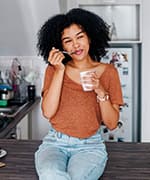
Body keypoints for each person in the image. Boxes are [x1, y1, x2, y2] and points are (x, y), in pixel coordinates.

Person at [35, 8, 123, 180]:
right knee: (50, 174)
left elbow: (112, 123)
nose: (76, 45)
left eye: (80, 36)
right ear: (61, 46)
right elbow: (48, 112)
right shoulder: (53, 70)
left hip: (90, 146)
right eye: (68, 40)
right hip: (55, 143)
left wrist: (100, 90)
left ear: (90, 36)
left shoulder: (108, 72)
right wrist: (59, 70)